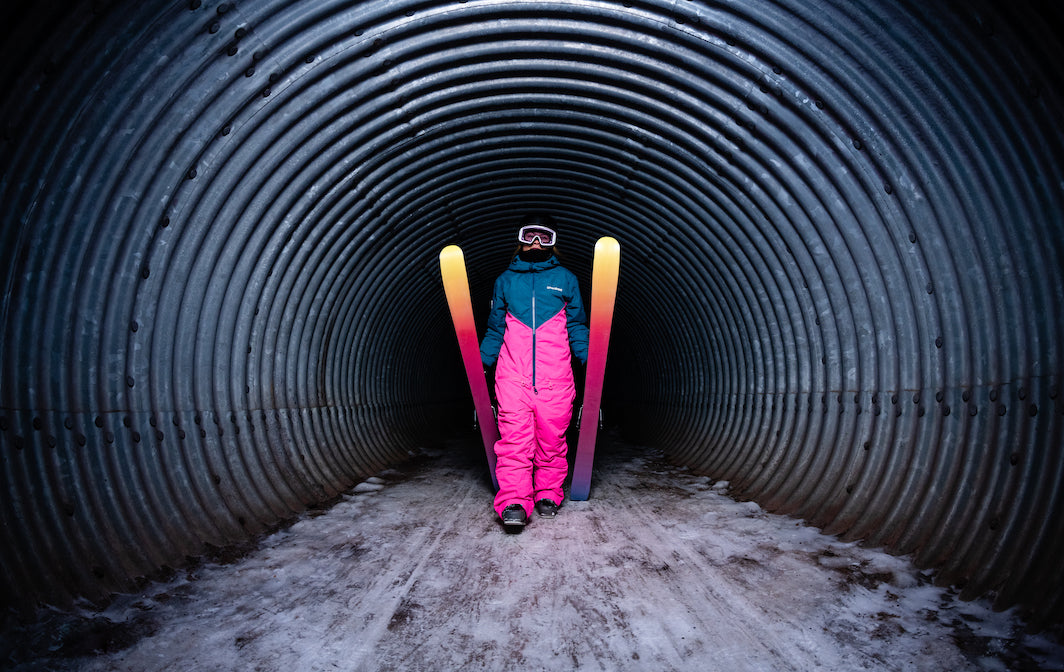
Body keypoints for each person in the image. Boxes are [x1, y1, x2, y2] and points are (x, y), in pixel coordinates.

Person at [480, 213, 590, 528]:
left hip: (556, 379)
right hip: (512, 377)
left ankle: (548, 494)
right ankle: (513, 500)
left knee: (551, 441)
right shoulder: (505, 281)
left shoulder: (567, 280)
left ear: (554, 242)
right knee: (514, 441)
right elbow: (495, 329)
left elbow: (577, 327)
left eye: (543, 236)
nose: (536, 243)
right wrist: (480, 364)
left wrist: (589, 361)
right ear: (520, 239)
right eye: (530, 235)